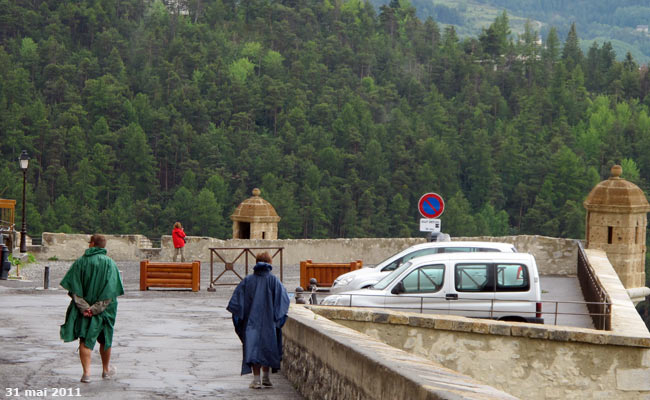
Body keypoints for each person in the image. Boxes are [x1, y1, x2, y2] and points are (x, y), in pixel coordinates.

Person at [60, 234, 124, 383]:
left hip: (83, 310)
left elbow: (74, 289)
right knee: (105, 340)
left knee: (84, 340)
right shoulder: (110, 264)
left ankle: (86, 373)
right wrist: (96, 308)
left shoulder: (80, 262)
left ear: (92, 244)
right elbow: (111, 291)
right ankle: (106, 370)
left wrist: (85, 308)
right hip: (105, 310)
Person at [227, 252, 290, 389]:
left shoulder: (247, 281)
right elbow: (283, 302)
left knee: (253, 348)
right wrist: (277, 321)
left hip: (251, 322)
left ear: (256, 262)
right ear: (270, 263)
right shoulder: (274, 281)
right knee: (267, 347)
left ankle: (256, 380)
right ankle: (266, 377)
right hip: (269, 323)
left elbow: (236, 304)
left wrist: (241, 322)